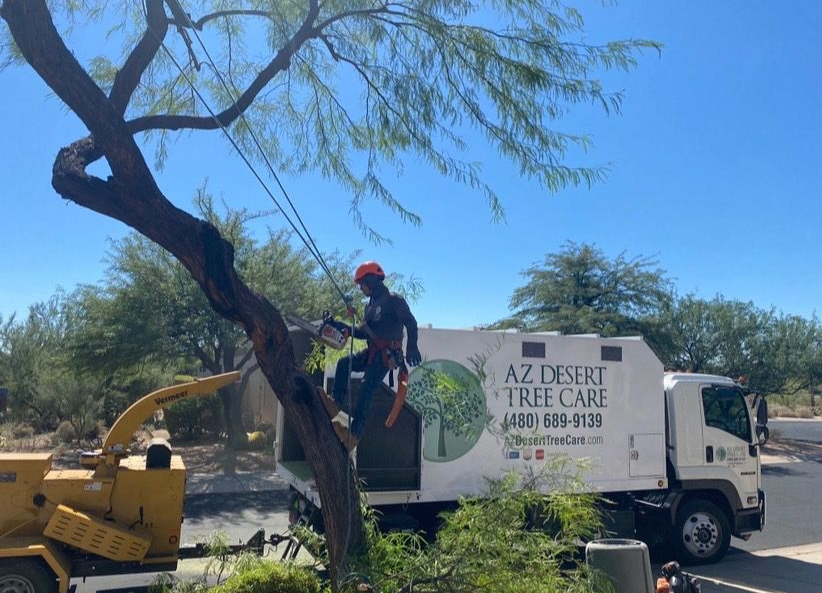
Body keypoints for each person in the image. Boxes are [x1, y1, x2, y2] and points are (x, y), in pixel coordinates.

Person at [324, 261, 421, 450]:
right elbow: (365, 333)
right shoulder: (370, 306)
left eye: (362, 283)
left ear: (372, 279)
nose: (361, 288)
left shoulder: (394, 300)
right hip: (372, 352)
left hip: (388, 355)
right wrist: (346, 328)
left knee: (367, 387)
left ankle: (354, 434)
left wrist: (412, 347)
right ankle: (335, 403)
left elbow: (411, 322)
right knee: (344, 364)